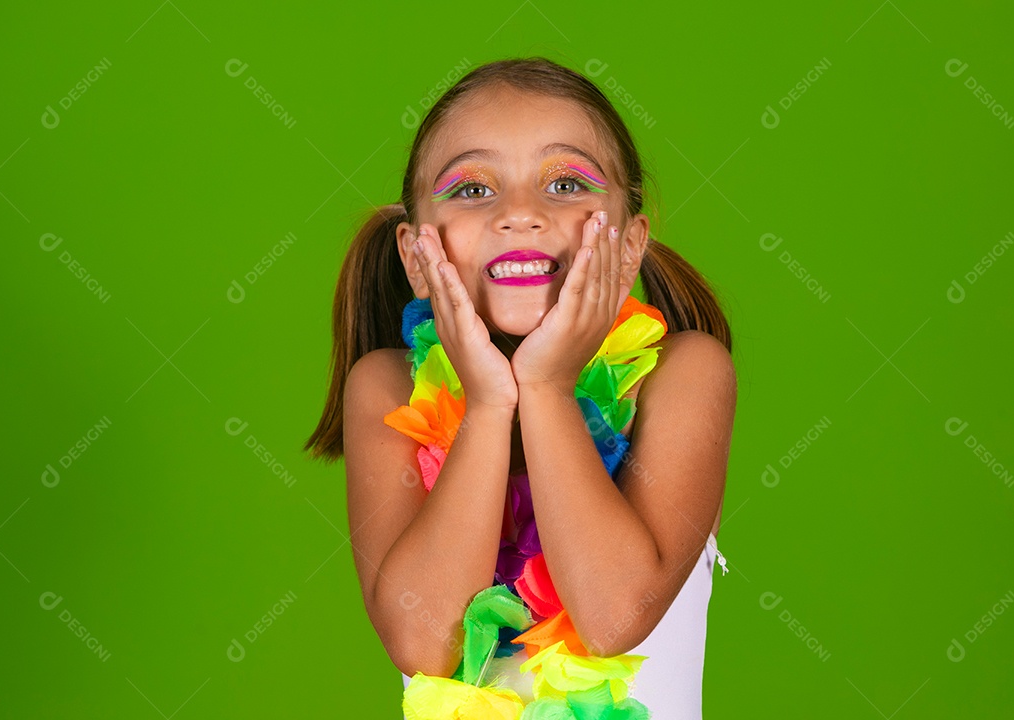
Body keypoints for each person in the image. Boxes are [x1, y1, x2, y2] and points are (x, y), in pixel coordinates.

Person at [304, 56, 737, 719]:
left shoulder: (682, 374)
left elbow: (614, 615)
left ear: (628, 245)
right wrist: (487, 404)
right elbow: (424, 640)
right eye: (474, 190)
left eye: (565, 183)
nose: (520, 214)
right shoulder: (387, 388)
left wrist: (546, 389)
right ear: (418, 257)